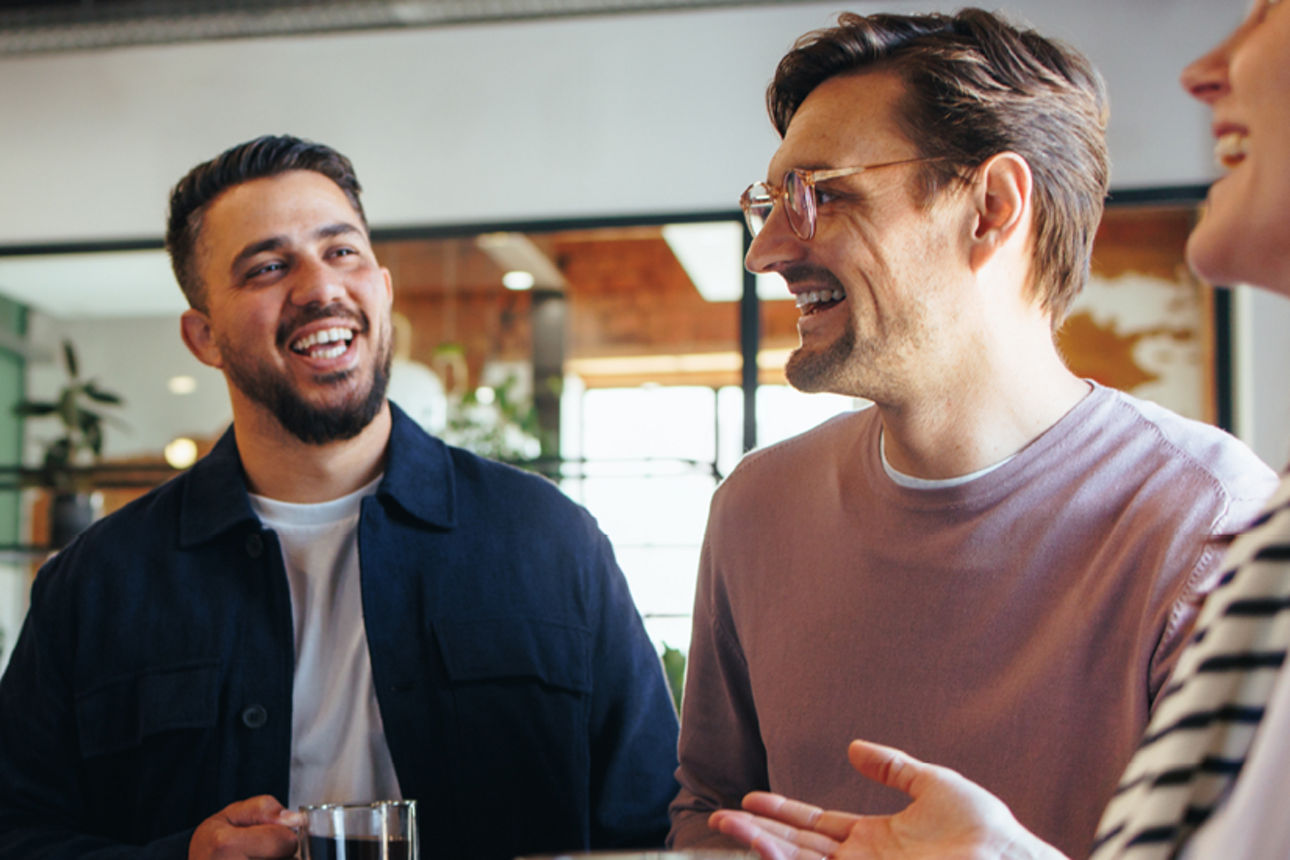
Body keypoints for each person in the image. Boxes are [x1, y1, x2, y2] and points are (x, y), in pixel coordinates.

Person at [667, 9, 1278, 860]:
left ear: (991, 208)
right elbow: (710, 805)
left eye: (820, 194)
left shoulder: (1209, 525)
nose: (766, 250)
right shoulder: (755, 507)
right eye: (769, 204)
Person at [0, 135, 680, 860]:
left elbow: (654, 821)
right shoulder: (97, 583)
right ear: (204, 337)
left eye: (342, 252)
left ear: (382, 288)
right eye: (268, 266)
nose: (320, 287)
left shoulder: (550, 541)